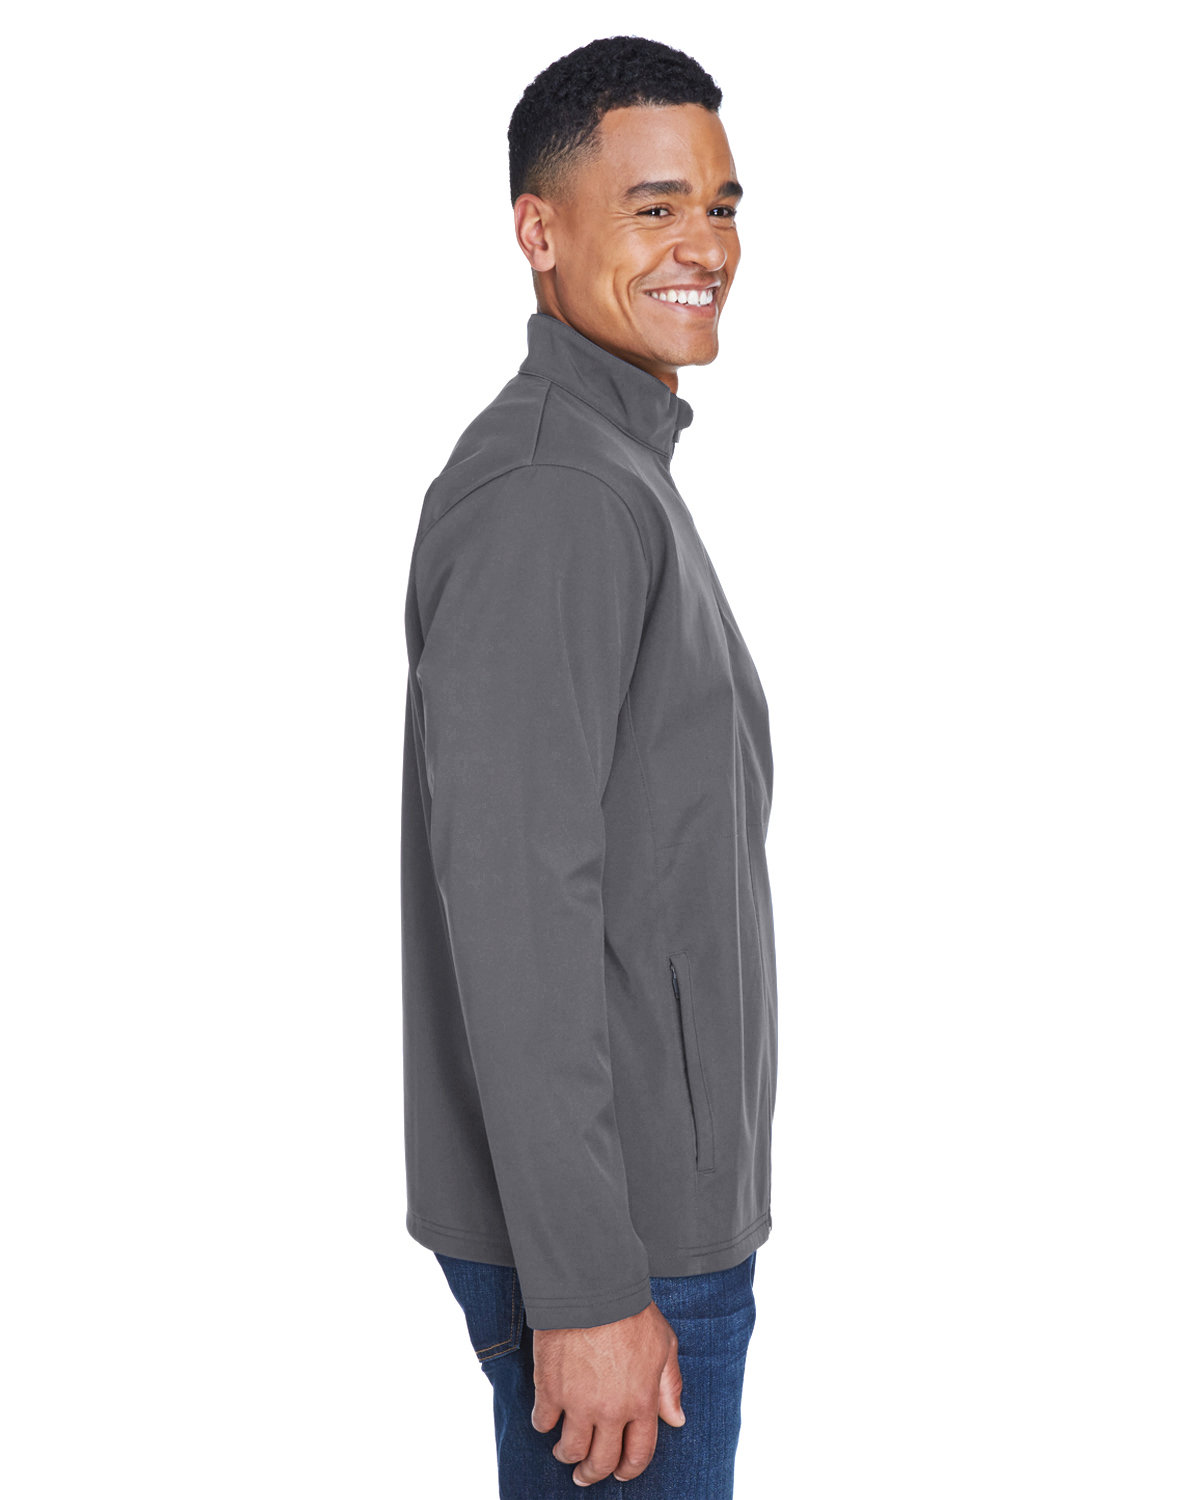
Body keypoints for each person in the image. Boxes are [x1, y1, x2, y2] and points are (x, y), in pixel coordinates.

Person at [400, 35, 778, 1497]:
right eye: (656, 206)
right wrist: (586, 1288)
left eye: (722, 206)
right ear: (539, 232)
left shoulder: (613, 472)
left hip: (647, 1228)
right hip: (620, 1256)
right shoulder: (555, 490)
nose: (706, 246)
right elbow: (513, 903)